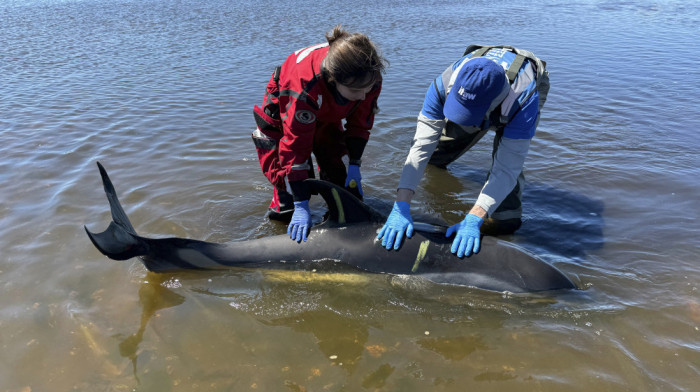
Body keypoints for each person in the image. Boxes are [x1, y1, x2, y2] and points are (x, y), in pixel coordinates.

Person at [377, 45, 550, 257]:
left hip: (515, 99)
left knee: (505, 213)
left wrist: (475, 217)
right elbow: (421, 147)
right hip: (476, 95)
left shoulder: (524, 102)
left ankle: (502, 220)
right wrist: (401, 204)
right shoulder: (442, 84)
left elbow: (506, 169)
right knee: (434, 156)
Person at [252, 25, 386, 243]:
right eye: (355, 92)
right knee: (287, 194)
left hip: (328, 103)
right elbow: (295, 145)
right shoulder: (305, 87)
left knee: (342, 183)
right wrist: (301, 204)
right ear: (334, 79)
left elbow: (360, 124)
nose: (363, 96)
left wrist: (355, 163)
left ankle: (331, 216)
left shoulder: (367, 76)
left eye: (368, 89)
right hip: (288, 103)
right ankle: (287, 207)